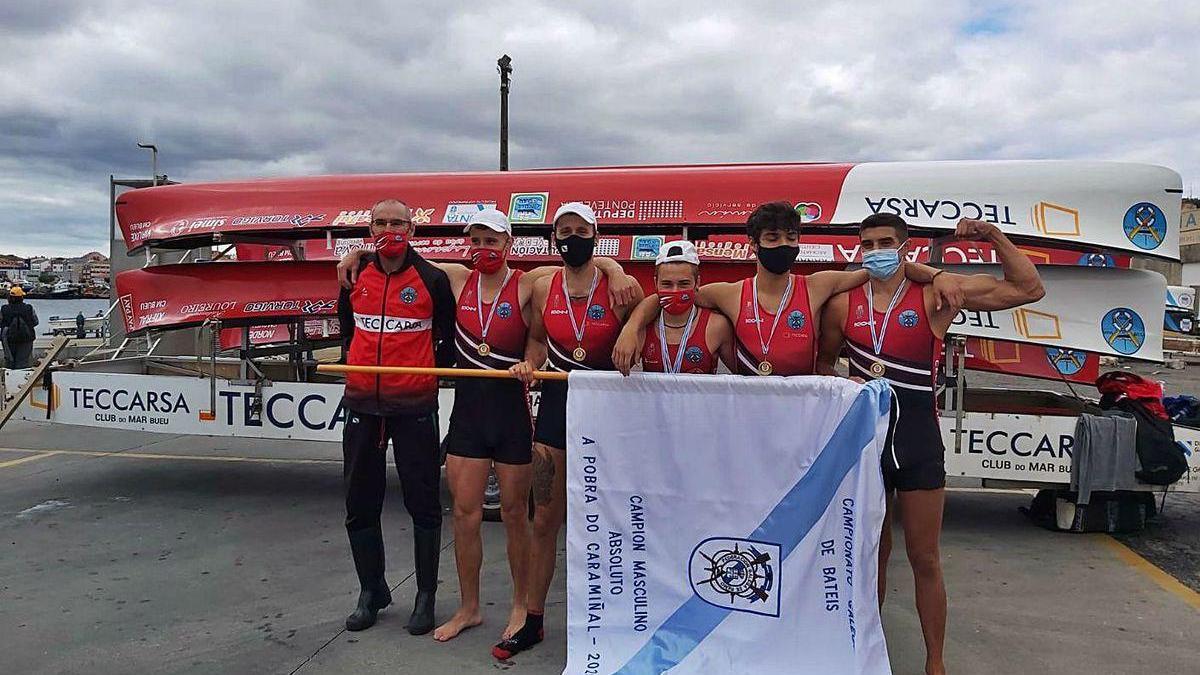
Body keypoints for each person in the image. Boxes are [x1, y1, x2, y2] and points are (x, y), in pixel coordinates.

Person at [335, 209, 636, 644]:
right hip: (468, 414)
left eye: (492, 241)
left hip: (511, 413)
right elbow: (402, 255)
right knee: (464, 514)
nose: (484, 249)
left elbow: (578, 273)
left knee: (516, 514)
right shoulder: (457, 277)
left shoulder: (531, 282)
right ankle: (469, 607)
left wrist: (613, 265)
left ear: (509, 245)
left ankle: (519, 606)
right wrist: (361, 251)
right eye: (476, 241)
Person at [816, 213, 1044, 675]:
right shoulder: (843, 303)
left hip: (918, 438)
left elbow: (1028, 290)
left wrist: (992, 236)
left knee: (924, 557)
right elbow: (821, 367)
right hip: (866, 445)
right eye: (868, 243)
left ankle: (934, 663)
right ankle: (864, 656)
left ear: (904, 246)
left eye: (885, 242)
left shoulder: (933, 296)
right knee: (870, 556)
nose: (876, 250)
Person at [497, 202, 644, 660]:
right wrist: (529, 364)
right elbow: (539, 342)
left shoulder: (621, 286)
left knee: (620, 514)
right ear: (553, 237)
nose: (573, 237)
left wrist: (632, 332)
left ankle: (626, 619)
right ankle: (533, 620)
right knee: (545, 517)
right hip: (561, 400)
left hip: (613, 402)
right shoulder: (544, 287)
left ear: (596, 235)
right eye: (565, 230)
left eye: (582, 230)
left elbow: (645, 327)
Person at [613, 201, 962, 377]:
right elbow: (667, 298)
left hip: (801, 413)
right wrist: (631, 327)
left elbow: (884, 267)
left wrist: (936, 275)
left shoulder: (818, 284)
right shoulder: (730, 294)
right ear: (753, 244)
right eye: (773, 238)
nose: (784, 244)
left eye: (791, 237)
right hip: (750, 418)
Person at [336, 198, 456, 636]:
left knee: (423, 505)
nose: (390, 229)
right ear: (369, 230)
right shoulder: (354, 276)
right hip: (363, 404)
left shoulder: (432, 279)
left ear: (412, 228)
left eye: (398, 222)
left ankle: (426, 597)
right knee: (358, 504)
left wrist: (419, 378)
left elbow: (446, 336)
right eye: (381, 222)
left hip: (414, 407)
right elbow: (349, 332)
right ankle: (372, 591)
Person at [614, 239, 735, 375]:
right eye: (667, 284)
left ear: (697, 283)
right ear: (656, 283)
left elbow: (743, 378)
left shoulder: (718, 326)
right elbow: (613, 376)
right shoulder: (642, 327)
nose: (675, 291)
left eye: (683, 284)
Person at [2, 287, 39, 369]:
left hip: (9, 340)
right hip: (26, 339)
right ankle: (22, 380)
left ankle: (10, 380)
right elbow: (36, 321)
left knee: (9, 362)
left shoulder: (4, 309)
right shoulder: (29, 308)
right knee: (23, 363)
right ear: (21, 297)